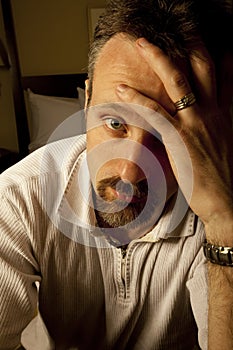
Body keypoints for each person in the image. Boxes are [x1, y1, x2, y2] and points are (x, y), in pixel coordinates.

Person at [0, 0, 233, 349]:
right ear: (88, 96)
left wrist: (223, 221)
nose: (129, 171)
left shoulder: (219, 199)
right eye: (115, 123)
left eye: (168, 136)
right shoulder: (19, 195)